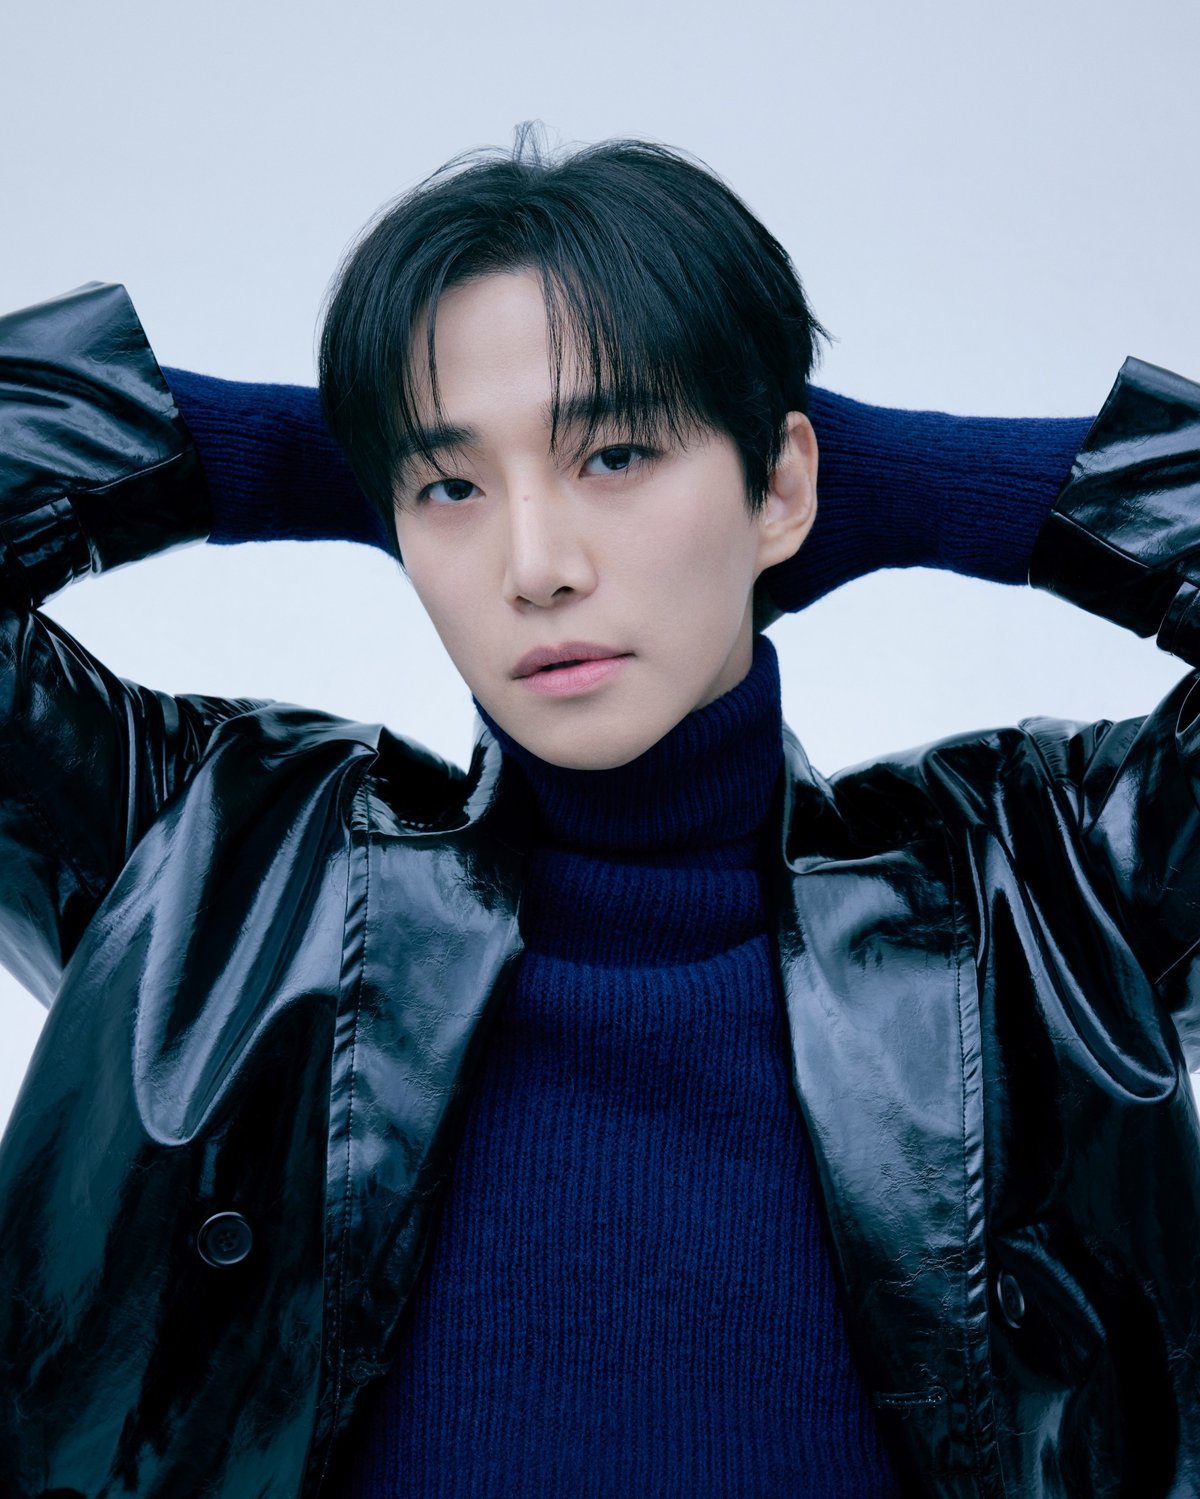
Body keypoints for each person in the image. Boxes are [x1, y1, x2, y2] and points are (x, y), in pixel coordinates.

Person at [0, 124, 1197, 1498]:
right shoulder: (215, 857)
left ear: (786, 483)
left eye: (616, 455)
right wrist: (287, 457)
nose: (535, 565)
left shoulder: (1037, 892)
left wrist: (938, 491)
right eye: (452, 489)